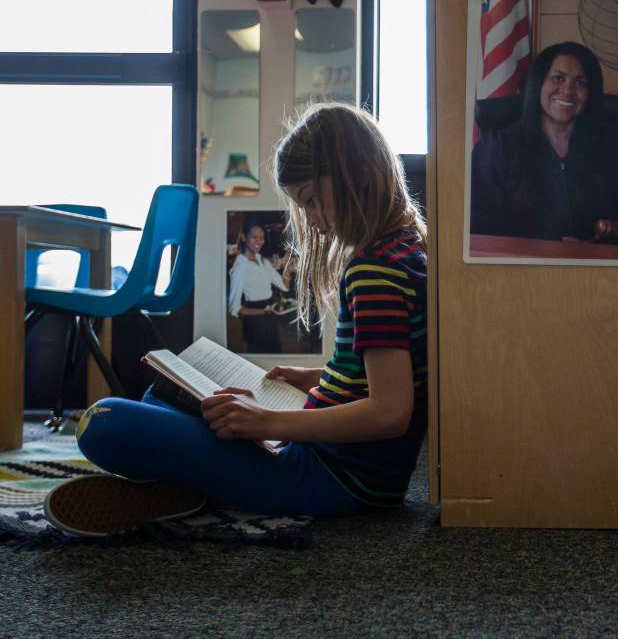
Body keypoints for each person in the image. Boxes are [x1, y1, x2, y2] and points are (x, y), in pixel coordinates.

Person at [42, 102, 428, 536]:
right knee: (164, 395)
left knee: (105, 421)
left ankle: (182, 489)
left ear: (357, 175)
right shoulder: (405, 249)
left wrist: (268, 422)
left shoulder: (374, 271)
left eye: (314, 202)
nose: (313, 221)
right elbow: (396, 371)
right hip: (348, 467)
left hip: (331, 476)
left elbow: (391, 411)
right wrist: (317, 377)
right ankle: (184, 489)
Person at [470, 41, 618, 247]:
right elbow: (479, 224)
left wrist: (593, 245)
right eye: (558, 78)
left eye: (580, 83)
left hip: (596, 268)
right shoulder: (497, 147)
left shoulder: (612, 148)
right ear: (539, 84)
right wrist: (550, 246)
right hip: (519, 266)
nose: (568, 90)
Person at [227, 222, 291, 353]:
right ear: (244, 238)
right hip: (255, 319)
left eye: (261, 238)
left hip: (270, 314)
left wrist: (288, 263)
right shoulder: (240, 267)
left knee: (275, 354)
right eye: (254, 237)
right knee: (258, 359)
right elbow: (235, 308)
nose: (259, 242)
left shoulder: (262, 260)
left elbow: (284, 286)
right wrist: (265, 311)